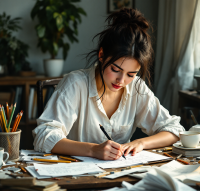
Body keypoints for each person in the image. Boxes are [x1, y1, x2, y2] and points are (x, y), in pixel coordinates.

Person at [33, 8, 184, 160]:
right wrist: (93, 150)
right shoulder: (75, 85)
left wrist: (141, 143)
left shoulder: (136, 87)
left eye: (131, 74)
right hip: (76, 175)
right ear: (101, 55)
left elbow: (174, 130)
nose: (121, 80)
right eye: (115, 69)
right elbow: (44, 136)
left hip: (120, 174)